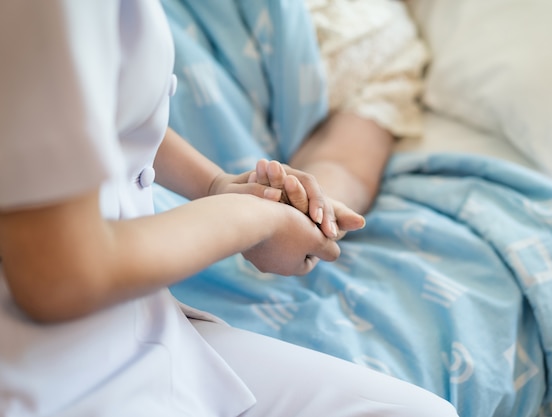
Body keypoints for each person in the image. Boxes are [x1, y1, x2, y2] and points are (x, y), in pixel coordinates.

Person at [0, 1, 458, 416]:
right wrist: (256, 220)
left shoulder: (375, 35)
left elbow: (99, 107)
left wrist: (217, 185)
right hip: (49, 362)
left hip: (125, 322)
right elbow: (60, 276)